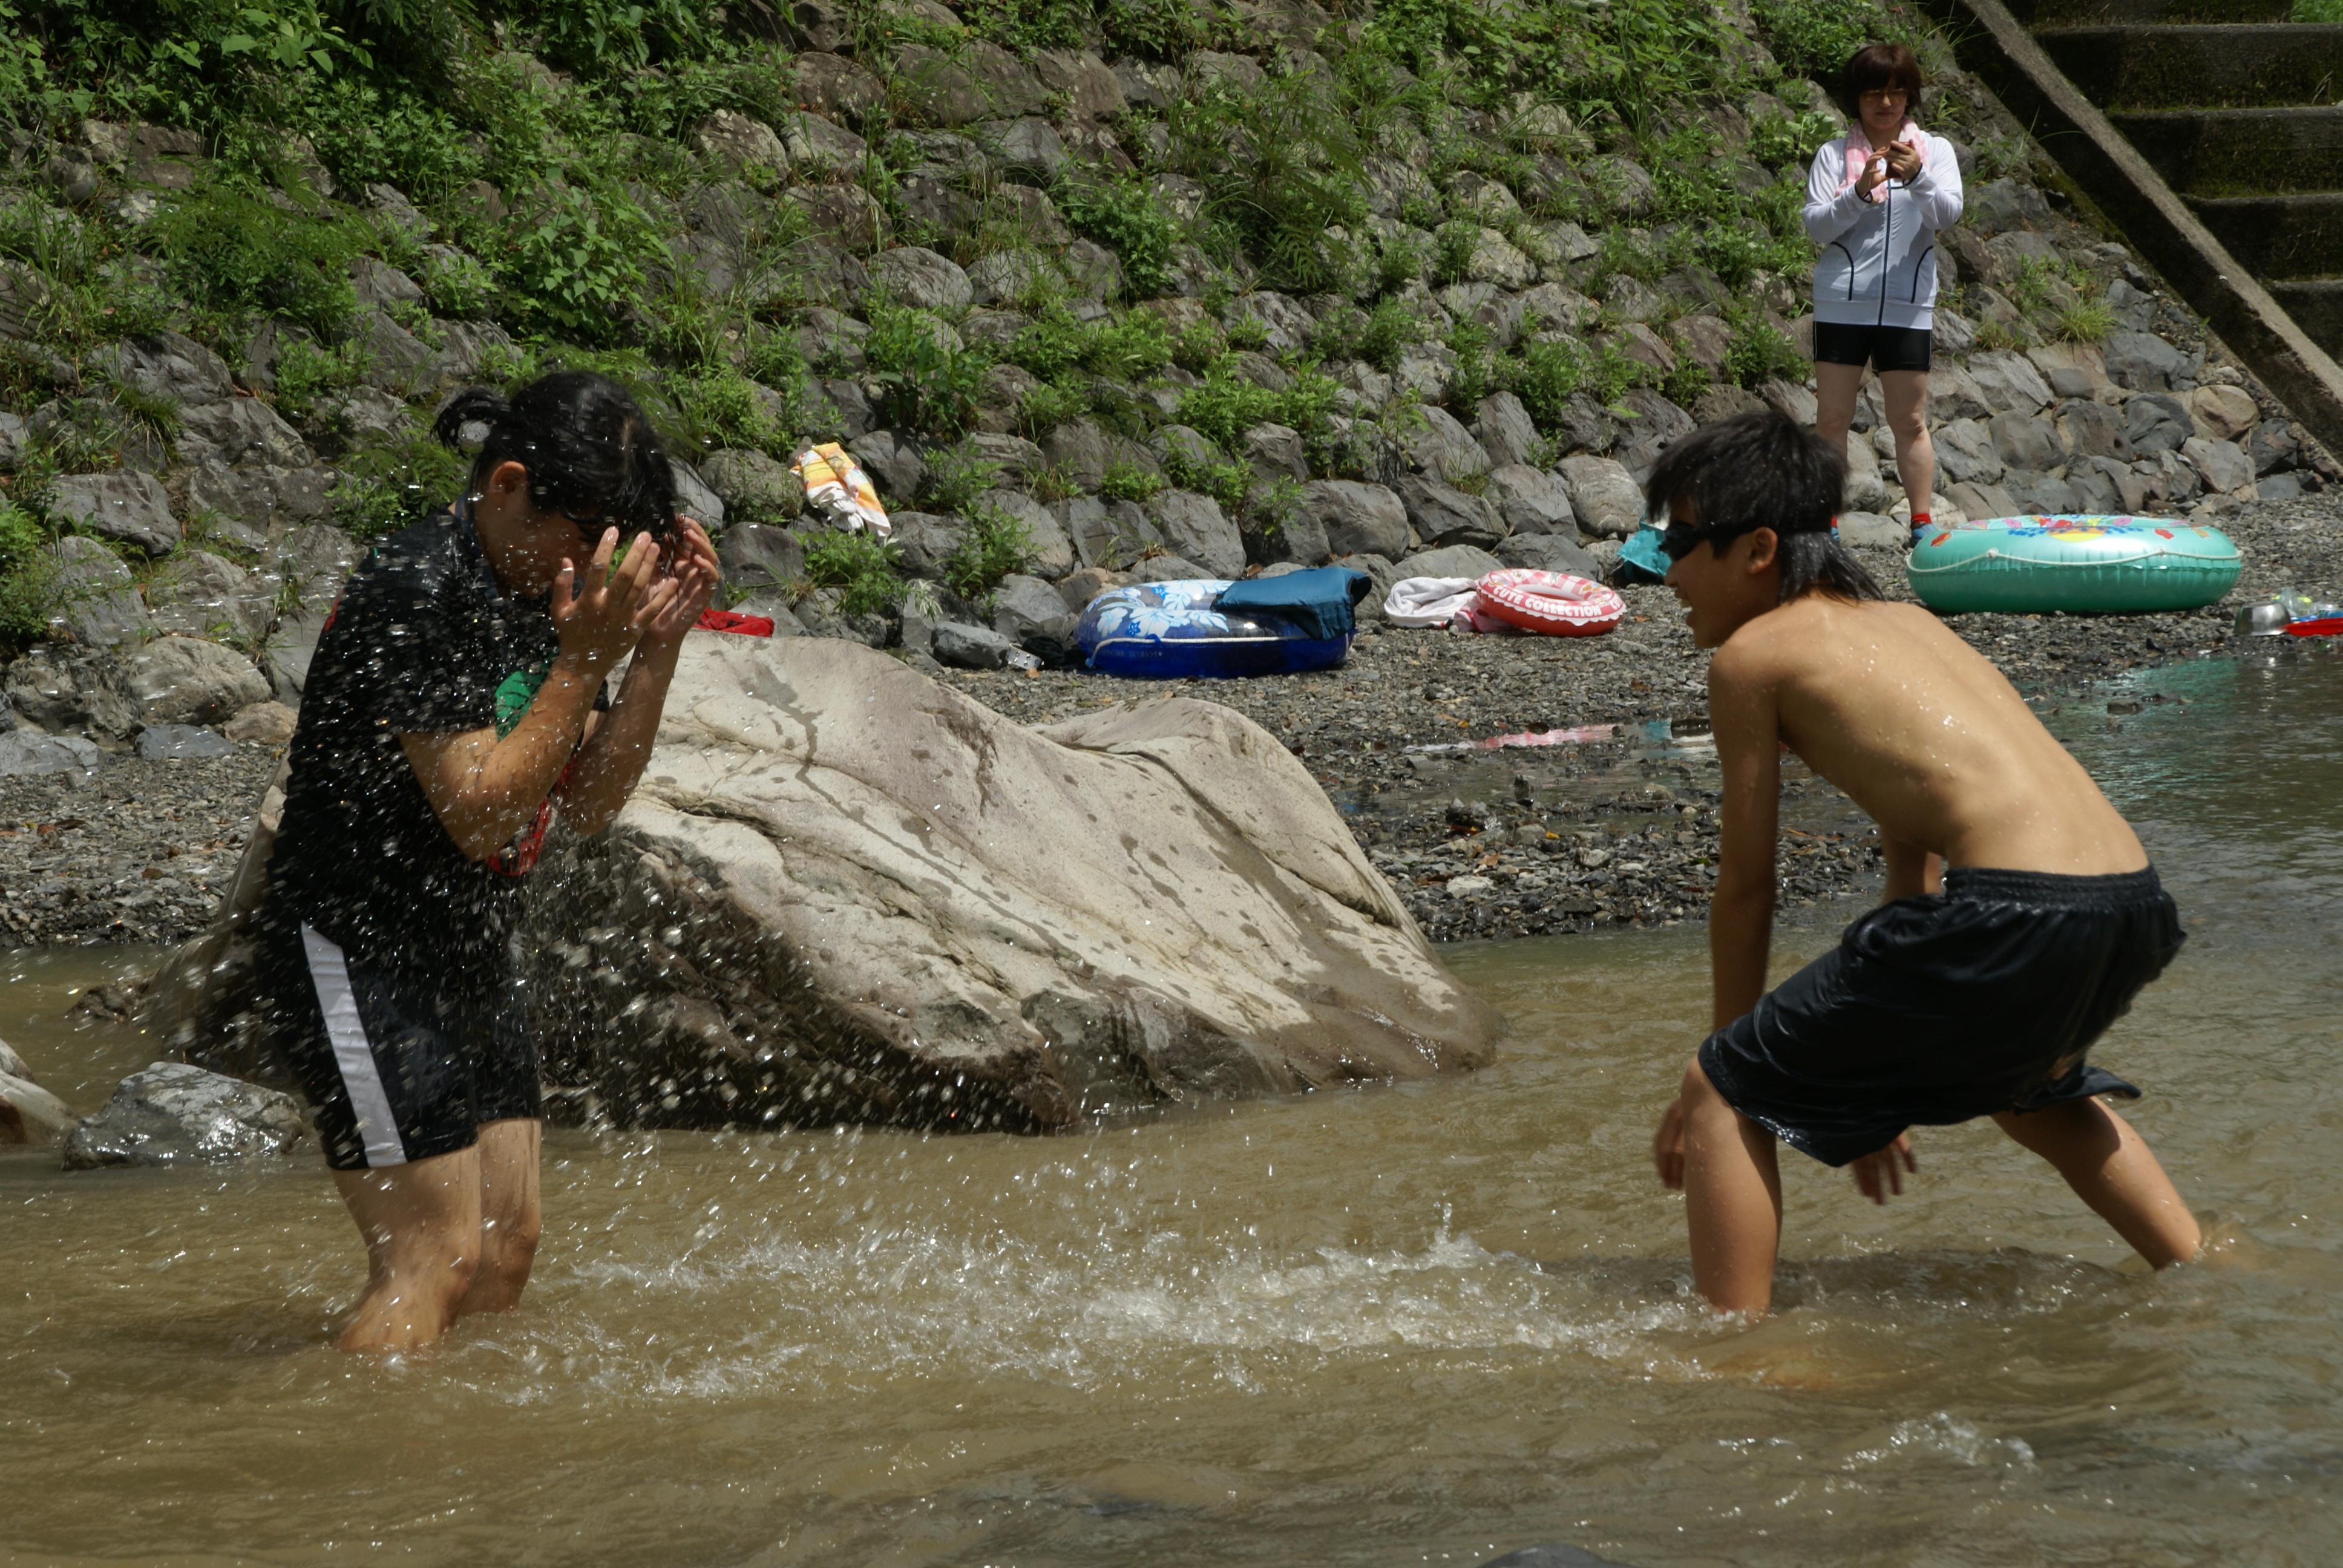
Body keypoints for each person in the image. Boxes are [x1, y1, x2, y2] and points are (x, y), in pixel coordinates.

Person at [1645, 411, 2200, 1317]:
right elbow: (1915, 873)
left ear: (1756, 550)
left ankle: (1736, 1356)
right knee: (2030, 1095)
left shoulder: (1751, 658)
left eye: (1675, 543)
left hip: (2018, 906)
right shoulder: (1908, 622)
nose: (1664, 573)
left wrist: (1728, 1063)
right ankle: (2205, 1273)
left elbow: (1747, 887)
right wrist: (1873, 1074)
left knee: (1719, 1093)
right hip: (2131, 904)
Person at [256, 371, 720, 1353]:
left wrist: (653, 653)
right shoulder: (419, 584)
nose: (594, 571)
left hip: (468, 937)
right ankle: (358, 1442)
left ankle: (447, 1440)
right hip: (355, 945)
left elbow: (588, 805)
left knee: (506, 1248)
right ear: (508, 486)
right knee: (433, 1259)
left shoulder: (547, 587)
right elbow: (478, 816)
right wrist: (583, 658)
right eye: (584, 541)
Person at [1804, 41, 1964, 544]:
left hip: (1907, 305)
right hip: (1842, 303)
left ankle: (1922, 525)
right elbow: (1816, 226)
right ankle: (1826, 525)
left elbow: (1948, 215)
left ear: (1910, 97)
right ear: (1856, 98)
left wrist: (1917, 177)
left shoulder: (1934, 152)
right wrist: (1857, 192)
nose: (1886, 103)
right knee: (1832, 418)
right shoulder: (1834, 155)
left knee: (1910, 420)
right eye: (1874, 93)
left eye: (1897, 92)